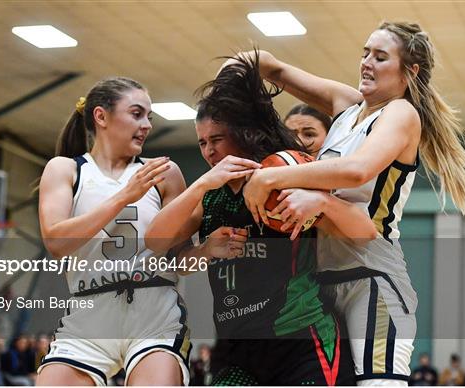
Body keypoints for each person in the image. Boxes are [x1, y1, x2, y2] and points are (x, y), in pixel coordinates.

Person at [230, 22, 465, 385]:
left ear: (410, 71)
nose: (366, 63)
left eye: (380, 57)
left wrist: (273, 177)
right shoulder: (347, 108)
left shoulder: (401, 114)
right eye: (365, 53)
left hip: (371, 279)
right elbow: (273, 68)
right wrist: (234, 71)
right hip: (322, 283)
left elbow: (357, 170)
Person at [146, 52, 377, 385]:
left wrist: (321, 202)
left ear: (241, 135)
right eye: (201, 143)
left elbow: (364, 233)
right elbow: (156, 242)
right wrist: (206, 248)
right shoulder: (209, 195)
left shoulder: (284, 176)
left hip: (300, 340)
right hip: (238, 349)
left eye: (216, 139)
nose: (209, 151)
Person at [36, 77, 193, 385]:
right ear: (101, 116)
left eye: (149, 116)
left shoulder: (164, 173)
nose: (146, 124)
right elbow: (56, 241)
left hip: (154, 311)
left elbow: (181, 259)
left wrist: (207, 251)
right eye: (137, 113)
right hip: (88, 313)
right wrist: (125, 195)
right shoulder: (66, 169)